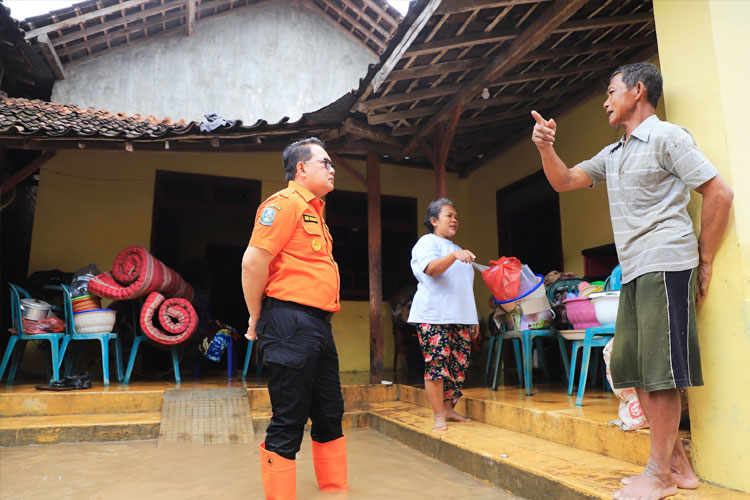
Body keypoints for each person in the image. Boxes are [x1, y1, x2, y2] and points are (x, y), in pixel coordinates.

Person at [530, 62, 733, 500]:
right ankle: (678, 468)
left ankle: (659, 474)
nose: (605, 100)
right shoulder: (613, 154)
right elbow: (564, 181)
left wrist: (707, 258)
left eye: (611, 91)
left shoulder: (668, 137)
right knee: (631, 366)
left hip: (666, 261)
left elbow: (719, 192)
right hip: (635, 268)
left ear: (638, 90)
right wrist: (546, 147)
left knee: (660, 374)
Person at [241, 137, 346, 500]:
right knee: (289, 418)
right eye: (325, 162)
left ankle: (335, 491)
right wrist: (256, 316)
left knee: (331, 412)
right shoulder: (284, 204)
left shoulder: (316, 213)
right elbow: (253, 263)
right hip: (288, 321)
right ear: (301, 168)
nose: (333, 169)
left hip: (319, 325)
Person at [407, 198, 480, 431]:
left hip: (461, 317)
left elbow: (463, 286)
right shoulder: (426, 243)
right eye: (449, 216)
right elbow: (432, 269)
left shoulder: (457, 249)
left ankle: (449, 409)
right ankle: (438, 415)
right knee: (437, 366)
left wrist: (473, 317)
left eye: (456, 217)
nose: (455, 220)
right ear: (433, 220)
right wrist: (453, 257)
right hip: (434, 316)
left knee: (458, 366)